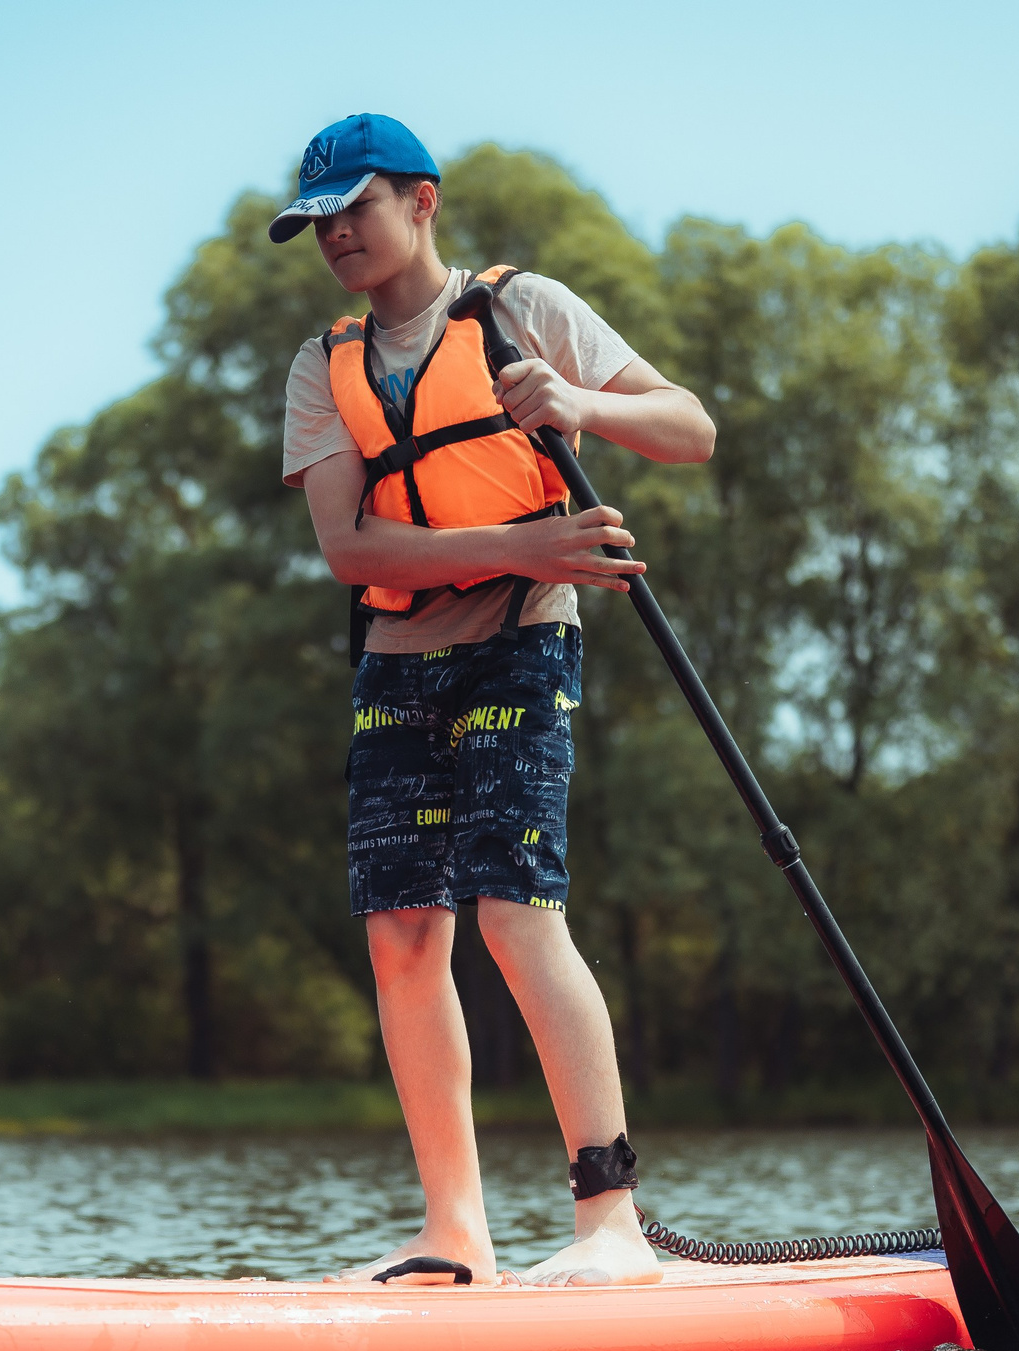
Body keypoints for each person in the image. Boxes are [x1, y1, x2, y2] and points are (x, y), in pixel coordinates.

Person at [274, 115, 716, 1287]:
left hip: (521, 644)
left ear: (421, 200)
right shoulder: (322, 369)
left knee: (515, 911)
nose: (334, 238)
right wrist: (530, 542)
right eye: (316, 221)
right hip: (397, 659)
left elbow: (690, 429)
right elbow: (350, 546)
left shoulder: (525, 309)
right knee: (402, 935)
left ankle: (610, 1227)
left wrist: (579, 404)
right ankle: (452, 1234)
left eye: (352, 209)